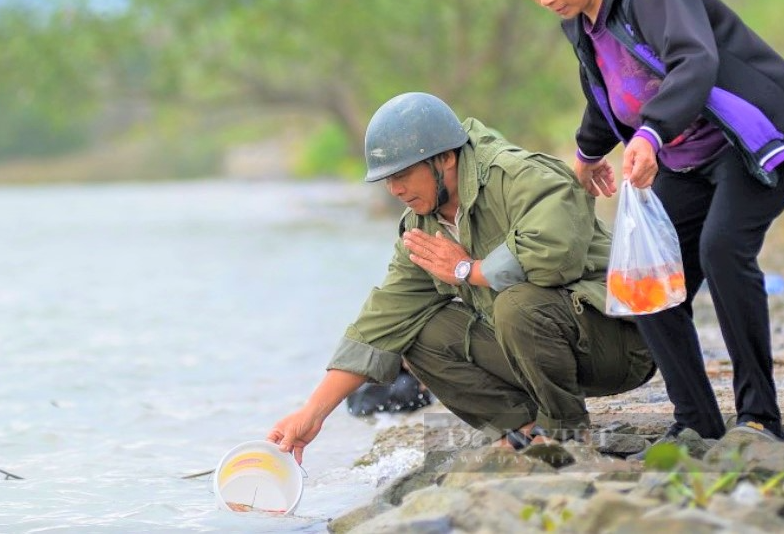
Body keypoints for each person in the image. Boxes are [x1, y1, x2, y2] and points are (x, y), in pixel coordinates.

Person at [504, 0, 784, 445]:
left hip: (756, 137)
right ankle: (697, 420)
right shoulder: (577, 23)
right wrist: (587, 151)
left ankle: (761, 419)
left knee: (722, 251)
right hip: (683, 154)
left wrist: (648, 134)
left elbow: (695, 62)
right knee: (647, 278)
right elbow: (607, 93)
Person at [267, 91, 655, 464]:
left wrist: (467, 270)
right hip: (537, 354)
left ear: (446, 159)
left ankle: (566, 434)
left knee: (516, 304)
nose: (395, 189)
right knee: (415, 331)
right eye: (386, 179)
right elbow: (381, 322)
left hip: (621, 345)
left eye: (402, 174)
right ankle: (521, 429)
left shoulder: (519, 175)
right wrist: (313, 413)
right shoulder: (421, 224)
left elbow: (555, 256)